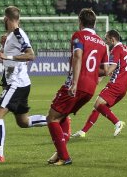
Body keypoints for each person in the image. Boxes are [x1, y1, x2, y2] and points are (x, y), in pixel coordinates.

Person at [0, 6, 48, 164]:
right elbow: (9, 58)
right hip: (19, 83)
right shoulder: (11, 35)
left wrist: (6, 54)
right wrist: (3, 47)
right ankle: (57, 120)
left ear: (7, 19)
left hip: (16, 84)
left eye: (4, 19)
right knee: (23, 122)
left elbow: (31, 55)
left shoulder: (18, 33)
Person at [45, 9, 109, 166]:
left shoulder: (78, 35)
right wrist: (90, 72)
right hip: (90, 88)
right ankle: (59, 153)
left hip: (77, 83)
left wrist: (74, 82)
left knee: (52, 117)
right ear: (94, 23)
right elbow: (105, 70)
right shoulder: (102, 43)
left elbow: (78, 55)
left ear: (80, 22)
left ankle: (64, 157)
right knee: (62, 115)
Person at [71, 30, 127, 139]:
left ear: (112, 39)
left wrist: (95, 74)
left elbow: (109, 70)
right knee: (99, 108)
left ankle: (117, 122)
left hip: (115, 85)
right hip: (123, 88)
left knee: (98, 105)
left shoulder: (116, 50)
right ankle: (83, 132)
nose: (105, 41)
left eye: (107, 39)